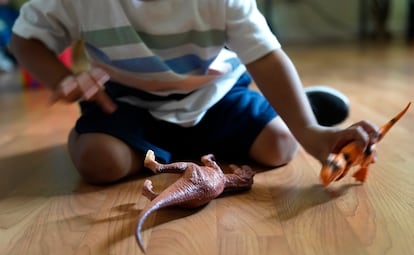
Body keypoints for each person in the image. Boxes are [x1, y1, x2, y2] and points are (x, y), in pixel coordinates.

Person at [9, 0, 378, 185]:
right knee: (100, 163)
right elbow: (26, 38)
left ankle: (298, 108)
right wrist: (60, 78)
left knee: (281, 145)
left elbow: (265, 57)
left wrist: (312, 135)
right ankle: (176, 143)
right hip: (126, 98)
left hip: (214, 93)